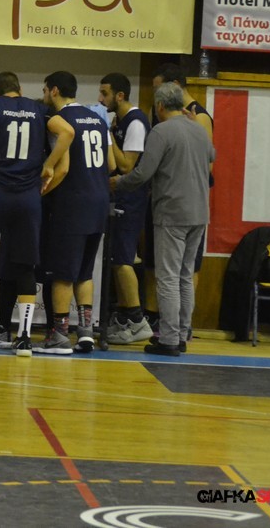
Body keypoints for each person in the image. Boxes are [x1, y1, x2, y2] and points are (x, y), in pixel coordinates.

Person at [0, 71, 74, 356]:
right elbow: (68, 132)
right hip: (27, 198)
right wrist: (49, 164)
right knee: (25, 266)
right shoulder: (38, 109)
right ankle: (24, 338)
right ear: (19, 89)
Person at [112, 82, 214, 356]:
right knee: (185, 275)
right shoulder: (199, 129)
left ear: (159, 106)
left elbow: (143, 173)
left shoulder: (161, 131)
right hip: (200, 213)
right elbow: (212, 157)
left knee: (167, 277)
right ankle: (181, 334)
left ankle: (168, 339)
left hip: (172, 212)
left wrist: (118, 183)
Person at [37, 70, 113, 354]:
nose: (45, 95)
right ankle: (85, 332)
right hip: (99, 200)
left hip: (74, 201)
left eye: (45, 90)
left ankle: (59, 335)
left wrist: (41, 191)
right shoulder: (97, 119)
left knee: (62, 273)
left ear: (54, 90)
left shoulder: (60, 120)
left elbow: (63, 168)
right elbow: (111, 163)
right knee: (84, 271)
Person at [143, 62, 215, 335]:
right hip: (181, 203)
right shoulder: (172, 119)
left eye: (158, 89)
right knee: (169, 272)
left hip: (180, 204)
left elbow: (207, 163)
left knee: (179, 274)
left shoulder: (198, 118)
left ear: (173, 87)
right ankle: (174, 327)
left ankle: (176, 331)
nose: (155, 95)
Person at [98, 72, 153, 345]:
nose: (101, 99)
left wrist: (107, 135)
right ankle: (123, 317)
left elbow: (126, 166)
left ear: (120, 95)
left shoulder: (136, 122)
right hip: (119, 198)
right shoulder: (119, 120)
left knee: (123, 259)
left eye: (105, 93)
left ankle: (137, 319)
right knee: (116, 259)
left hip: (132, 199)